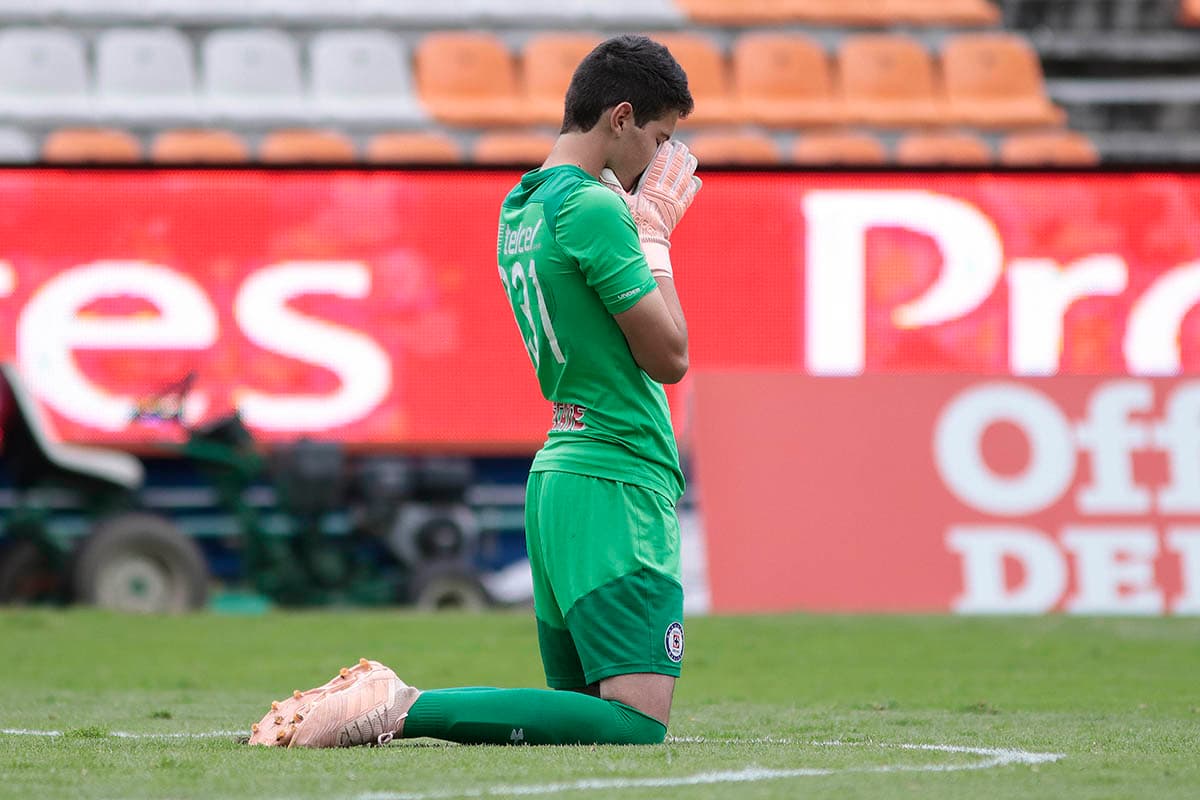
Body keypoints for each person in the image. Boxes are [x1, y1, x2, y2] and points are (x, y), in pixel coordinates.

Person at [248, 33, 701, 749]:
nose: (661, 163)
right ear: (620, 117)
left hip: (561, 470)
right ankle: (398, 706)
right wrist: (654, 234)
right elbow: (669, 356)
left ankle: (394, 706)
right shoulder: (593, 208)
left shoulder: (521, 205)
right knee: (636, 721)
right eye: (659, 137)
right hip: (615, 472)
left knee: (580, 724)